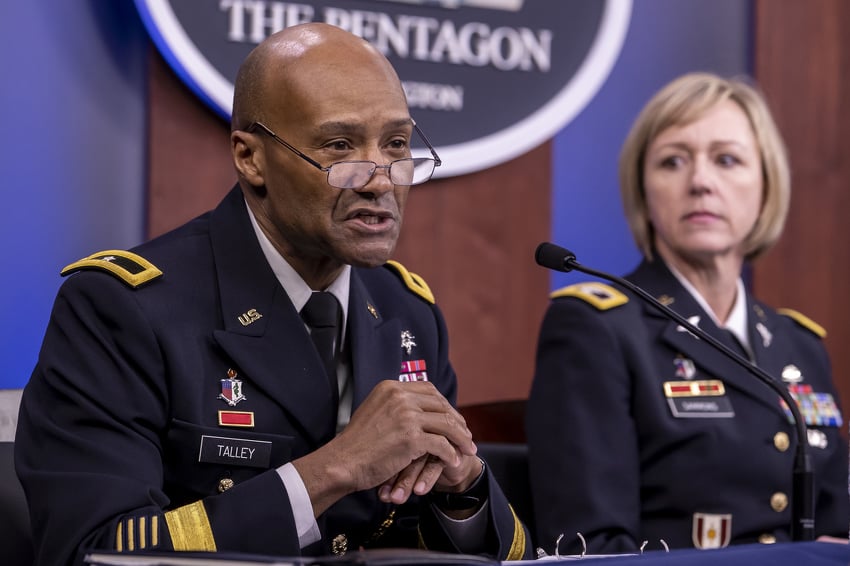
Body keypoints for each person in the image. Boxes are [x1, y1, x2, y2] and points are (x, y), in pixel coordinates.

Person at [15, 23, 531, 566]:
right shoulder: (123, 308)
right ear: (250, 158)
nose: (381, 180)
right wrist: (331, 470)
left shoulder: (408, 312)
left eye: (397, 145)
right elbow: (91, 552)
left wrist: (463, 489)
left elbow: (475, 550)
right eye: (340, 146)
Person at [527, 72, 849, 554]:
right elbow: (589, 548)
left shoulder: (800, 344)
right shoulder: (596, 329)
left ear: (766, 186)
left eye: (727, 159)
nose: (700, 182)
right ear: (644, 191)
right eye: (673, 161)